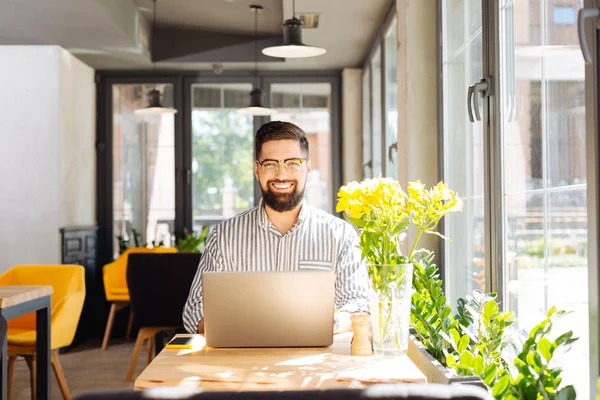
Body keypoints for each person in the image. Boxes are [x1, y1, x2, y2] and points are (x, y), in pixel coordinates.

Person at [182, 121, 369, 334]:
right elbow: (194, 309)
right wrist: (242, 327)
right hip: (242, 362)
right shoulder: (224, 236)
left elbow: (358, 304)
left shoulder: (340, 234)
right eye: (270, 163)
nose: (281, 174)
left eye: (293, 162)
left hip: (317, 362)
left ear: (307, 168)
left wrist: (321, 323)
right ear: (256, 169)